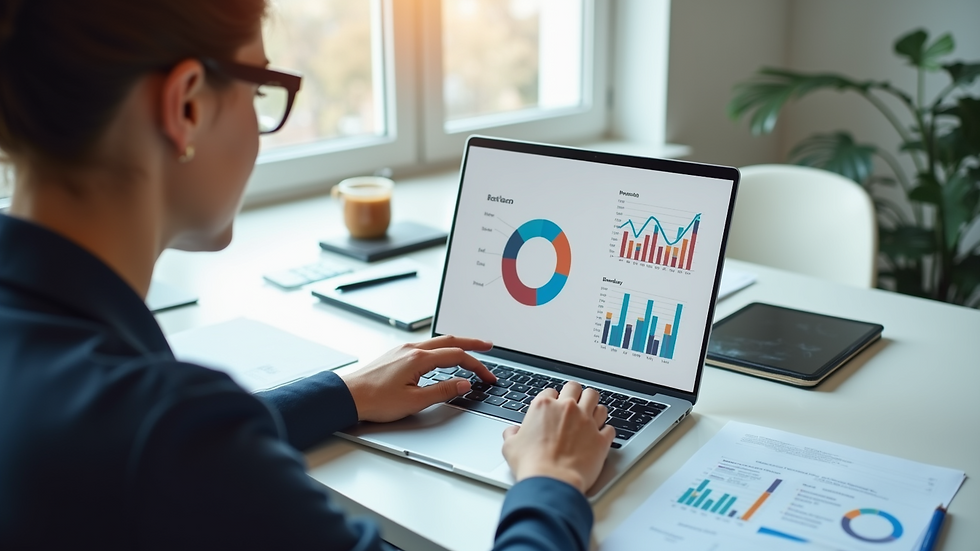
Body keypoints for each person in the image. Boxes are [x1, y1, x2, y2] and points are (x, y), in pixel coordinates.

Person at [0, 1, 616, 549]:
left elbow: (174, 454)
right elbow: (176, 451)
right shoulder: (164, 433)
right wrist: (550, 479)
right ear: (185, 105)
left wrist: (342, 393)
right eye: (259, 88)